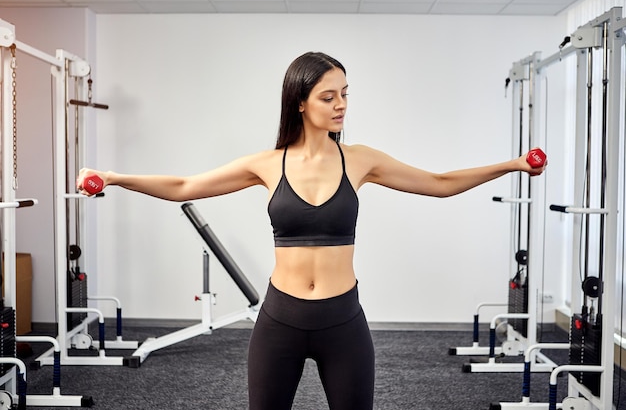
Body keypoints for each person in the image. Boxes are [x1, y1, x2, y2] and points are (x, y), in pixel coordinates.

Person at [77, 51, 546, 410]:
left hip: (343, 321)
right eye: (329, 96)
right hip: (280, 320)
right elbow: (184, 186)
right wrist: (116, 178)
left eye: (346, 93)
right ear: (300, 102)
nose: (342, 104)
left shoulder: (360, 160)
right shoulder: (267, 164)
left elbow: (440, 184)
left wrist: (512, 165)